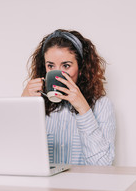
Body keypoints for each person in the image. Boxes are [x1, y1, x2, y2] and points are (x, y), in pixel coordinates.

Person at [22, 29, 116, 165]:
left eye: (66, 65)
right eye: (50, 66)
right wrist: (24, 106)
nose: (58, 73)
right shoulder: (36, 103)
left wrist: (83, 109)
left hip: (83, 186)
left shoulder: (102, 106)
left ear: (81, 67)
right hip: (44, 186)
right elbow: (17, 157)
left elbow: (103, 165)